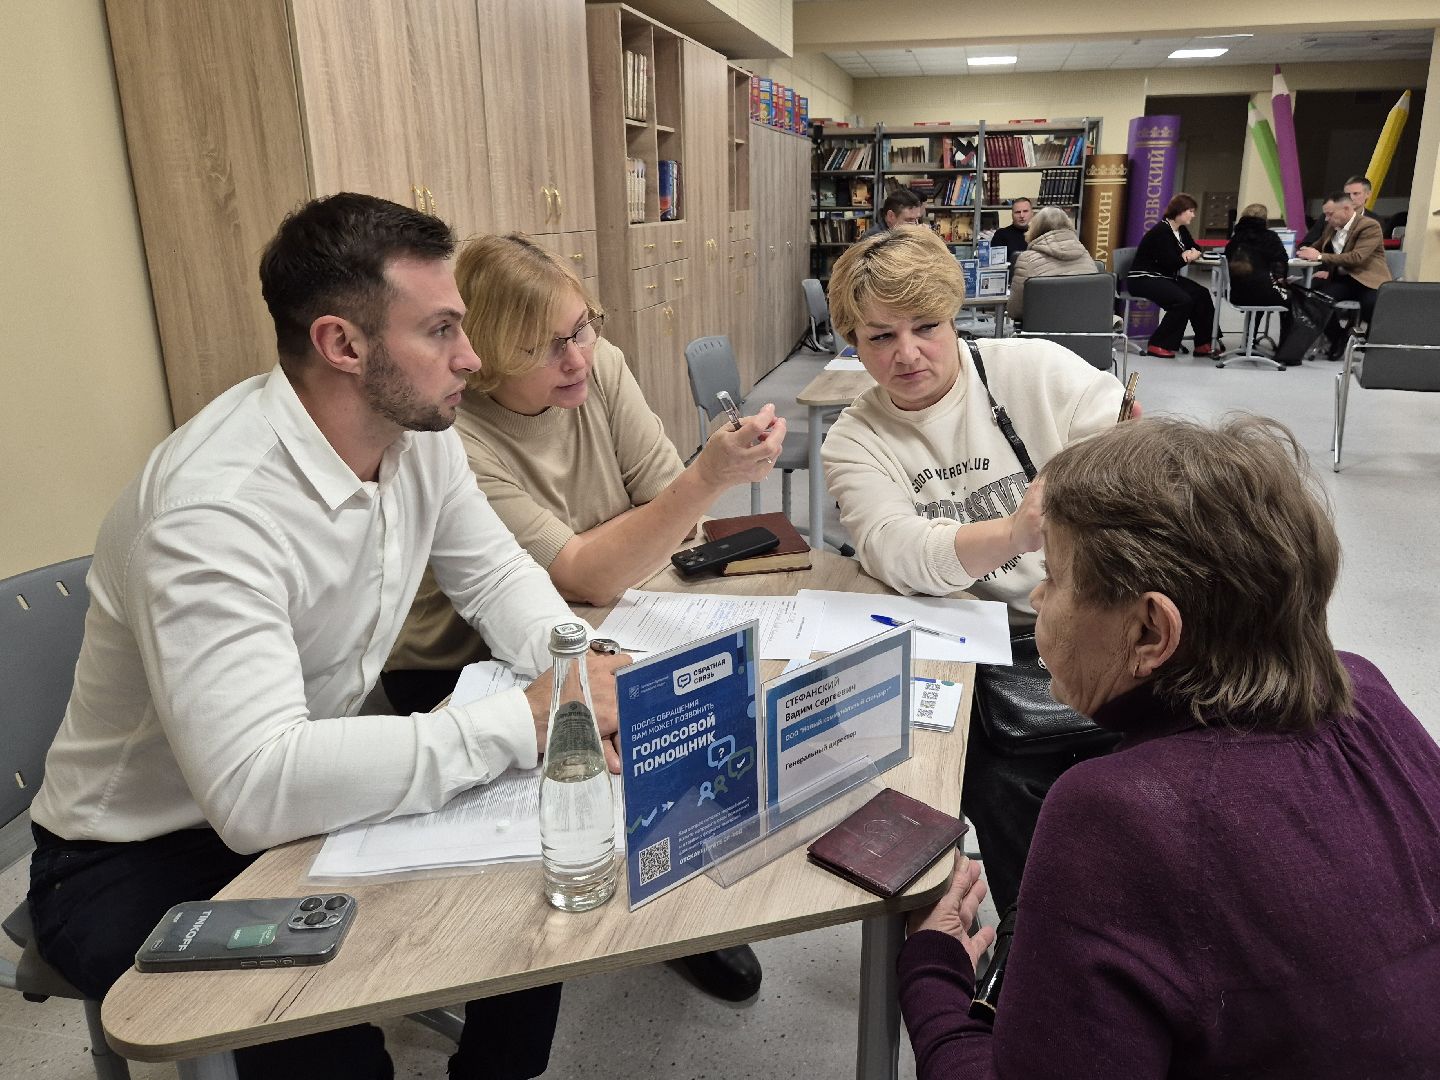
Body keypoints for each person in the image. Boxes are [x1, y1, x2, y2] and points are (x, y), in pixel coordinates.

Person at [26, 193, 626, 1080]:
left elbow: (497, 577)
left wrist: (581, 673)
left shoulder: (417, 432)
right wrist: (524, 719)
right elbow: (253, 790)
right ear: (342, 344)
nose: (471, 356)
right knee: (329, 1048)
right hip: (134, 856)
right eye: (441, 331)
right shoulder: (213, 511)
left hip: (297, 791)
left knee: (543, 859)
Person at [898, 415, 1440, 1078]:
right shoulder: (1363, 690)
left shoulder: (1116, 812)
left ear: (1151, 631)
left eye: (1057, 577)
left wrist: (933, 970)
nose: (1038, 596)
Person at [386, 232, 786, 1000]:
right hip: (460, 662)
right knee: (586, 779)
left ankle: (676, 902)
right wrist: (693, 488)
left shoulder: (600, 368)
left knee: (693, 712)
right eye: (544, 347)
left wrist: (648, 521)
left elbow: (669, 522)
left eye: (581, 329)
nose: (575, 358)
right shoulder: (458, 436)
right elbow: (589, 572)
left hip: (599, 619)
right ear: (487, 355)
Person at [820, 225, 1127, 913]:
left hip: (1088, 613)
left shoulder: (1035, 371)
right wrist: (1017, 531)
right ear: (852, 342)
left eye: (926, 327)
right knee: (1001, 784)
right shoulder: (854, 441)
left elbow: (1125, 457)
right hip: (978, 642)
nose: (908, 354)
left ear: (954, 316)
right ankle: (1032, 934)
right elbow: (897, 550)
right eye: (880, 337)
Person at [1296, 190, 1392, 360]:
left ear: (1346, 209)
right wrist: (1305, 251)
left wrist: (1319, 257)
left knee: (1372, 306)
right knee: (1317, 299)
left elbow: (1357, 257)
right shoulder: (1331, 227)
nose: (1327, 219)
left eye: (1330, 214)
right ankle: (1338, 338)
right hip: (1343, 280)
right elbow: (1318, 246)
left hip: (1368, 281)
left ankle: (1373, 346)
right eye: (1325, 215)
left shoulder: (1369, 226)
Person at [1125, 192, 1222, 359]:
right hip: (1144, 279)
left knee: (1201, 293)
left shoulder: (1181, 230)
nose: (1193, 215)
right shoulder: (1161, 231)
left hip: (1163, 277)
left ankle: (1204, 343)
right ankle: (1159, 343)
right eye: (1191, 211)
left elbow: (1195, 247)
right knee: (1182, 300)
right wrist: (1186, 257)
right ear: (1179, 211)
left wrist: (1191, 253)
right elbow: (1170, 263)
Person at [1224, 202, 1293, 358]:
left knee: (1258, 295)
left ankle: (1248, 341)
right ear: (1265, 219)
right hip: (1262, 292)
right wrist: (1282, 281)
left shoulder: (1235, 239)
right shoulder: (1270, 238)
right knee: (1290, 300)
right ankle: (1286, 349)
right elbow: (1281, 263)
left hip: (1237, 294)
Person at [1007, 206, 1095, 322]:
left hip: (1042, 330)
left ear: (1035, 228)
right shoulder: (1087, 256)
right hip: (1086, 328)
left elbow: (1015, 310)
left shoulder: (1026, 260)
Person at [1300, 174, 1380, 247]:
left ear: (1368, 194)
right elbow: (1306, 244)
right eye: (1347, 194)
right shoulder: (1327, 216)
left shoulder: (1376, 221)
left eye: (1356, 194)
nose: (1351, 198)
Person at [861, 187, 926, 237]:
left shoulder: (896, 232)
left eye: (917, 219)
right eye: (909, 220)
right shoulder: (874, 239)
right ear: (890, 216)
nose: (915, 226)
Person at [988, 197, 1034, 263]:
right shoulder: (1001, 235)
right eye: (1017, 212)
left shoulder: (1040, 233)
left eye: (1025, 211)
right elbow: (996, 264)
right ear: (1012, 215)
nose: (1021, 215)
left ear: (1032, 213)